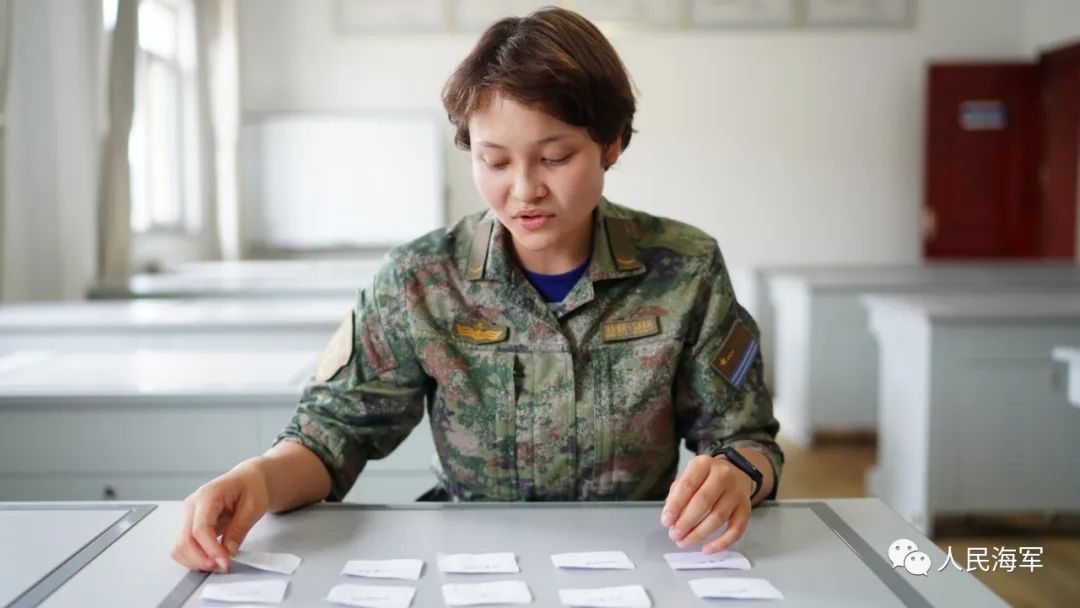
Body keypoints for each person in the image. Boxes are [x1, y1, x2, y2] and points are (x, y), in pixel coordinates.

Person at [171, 6, 783, 574]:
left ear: (611, 144)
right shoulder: (423, 279)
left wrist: (736, 475)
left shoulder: (684, 268)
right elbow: (333, 434)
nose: (525, 189)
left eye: (555, 157)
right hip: (469, 565)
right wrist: (257, 478)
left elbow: (746, 441)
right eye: (494, 162)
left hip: (639, 561)